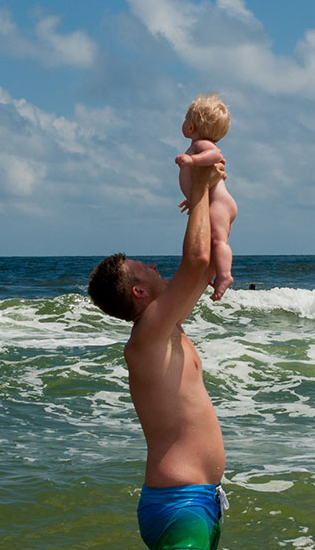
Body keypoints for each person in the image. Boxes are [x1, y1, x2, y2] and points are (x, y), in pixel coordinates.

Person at [88, 160, 229, 550]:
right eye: (143, 268)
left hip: (201, 501)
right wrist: (198, 186)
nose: (152, 265)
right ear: (139, 292)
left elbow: (207, 264)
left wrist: (215, 192)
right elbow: (196, 261)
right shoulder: (148, 337)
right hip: (178, 503)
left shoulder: (166, 327)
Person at [175, 93, 238, 301]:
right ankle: (217, 273)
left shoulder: (201, 145)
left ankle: (225, 275)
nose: (183, 123)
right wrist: (193, 200)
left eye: (186, 119)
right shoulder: (197, 145)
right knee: (214, 241)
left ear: (191, 126)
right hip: (213, 200)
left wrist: (192, 161)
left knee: (218, 240)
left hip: (219, 203)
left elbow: (215, 155)